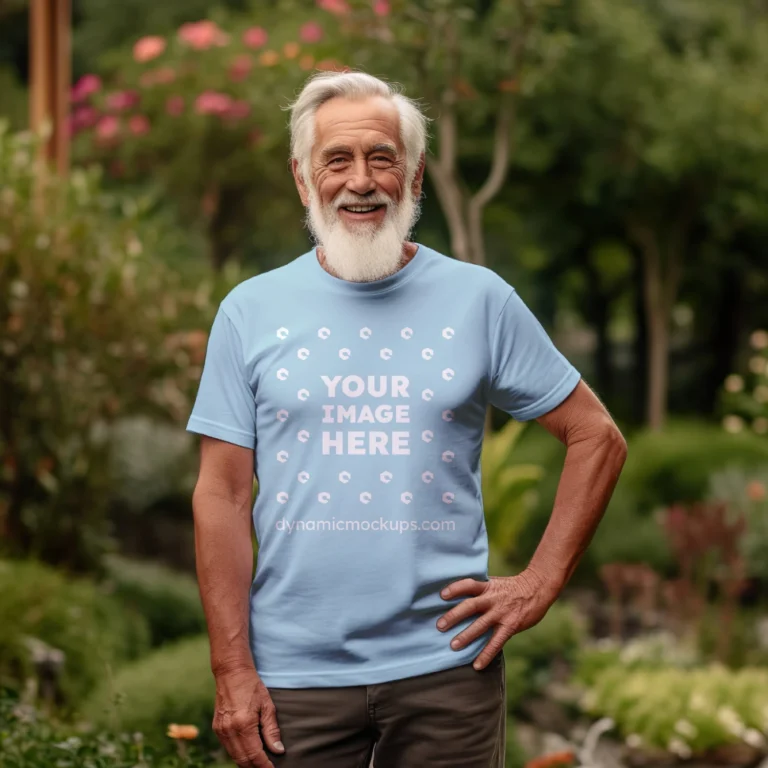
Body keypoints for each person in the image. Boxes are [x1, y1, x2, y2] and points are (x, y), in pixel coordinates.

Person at [186, 70, 627, 768]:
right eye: (337, 160)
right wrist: (231, 670)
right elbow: (221, 496)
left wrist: (539, 583)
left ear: (414, 176)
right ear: (304, 179)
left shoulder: (480, 300)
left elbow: (596, 435)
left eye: (382, 158)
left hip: (446, 671)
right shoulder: (249, 311)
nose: (360, 180)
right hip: (292, 678)